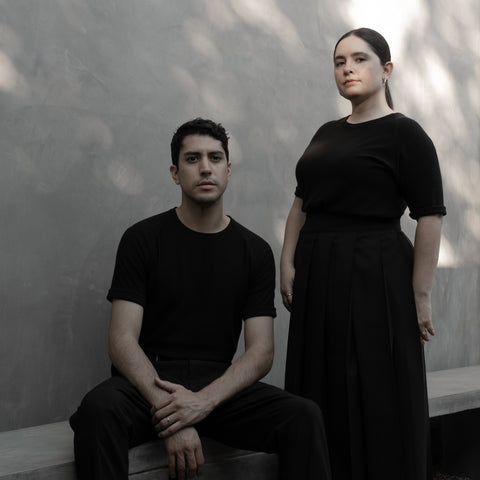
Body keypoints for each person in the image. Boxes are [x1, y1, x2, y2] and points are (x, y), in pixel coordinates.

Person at [70, 118, 331, 480]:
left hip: (218, 387)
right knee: (97, 411)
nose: (205, 168)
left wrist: (202, 402)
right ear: (175, 173)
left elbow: (260, 352)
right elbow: (121, 340)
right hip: (150, 385)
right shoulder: (141, 239)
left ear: (228, 170)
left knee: (303, 416)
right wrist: (171, 412)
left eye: (215, 158)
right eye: (192, 159)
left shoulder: (254, 251)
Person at [280, 28, 446, 480]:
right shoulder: (325, 133)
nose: (347, 69)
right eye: (339, 62)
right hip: (318, 271)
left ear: (386, 69)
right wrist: (287, 261)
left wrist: (421, 294)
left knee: (375, 384)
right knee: (320, 382)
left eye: (359, 59)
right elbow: (300, 204)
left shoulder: (405, 134)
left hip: (376, 272)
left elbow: (430, 216)